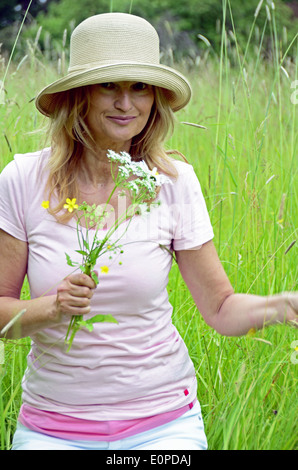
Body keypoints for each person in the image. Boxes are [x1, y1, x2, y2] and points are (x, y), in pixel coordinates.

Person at [0, 13, 297, 451]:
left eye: (139, 87)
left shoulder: (173, 182)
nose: (126, 103)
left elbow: (221, 307)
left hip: (163, 425)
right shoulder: (23, 178)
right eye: (109, 85)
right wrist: (53, 307)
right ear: (79, 95)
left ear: (155, 97)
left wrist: (284, 306)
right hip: (53, 428)